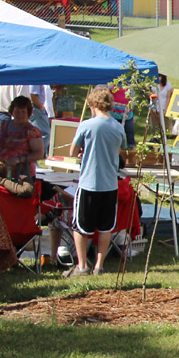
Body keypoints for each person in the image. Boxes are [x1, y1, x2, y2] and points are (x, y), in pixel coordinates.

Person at [67, 87, 126, 277]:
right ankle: (99, 265)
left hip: (89, 183)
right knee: (105, 227)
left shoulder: (86, 125)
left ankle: (82, 265)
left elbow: (72, 152)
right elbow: (122, 152)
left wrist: (83, 150)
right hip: (109, 184)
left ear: (92, 105)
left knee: (81, 227)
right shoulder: (118, 127)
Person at [0, 95, 44, 182]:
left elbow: (39, 154)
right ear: (12, 111)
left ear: (28, 113)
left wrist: (18, 159)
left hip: (22, 177)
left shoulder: (32, 131)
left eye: (23, 112)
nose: (19, 115)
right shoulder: (3, 125)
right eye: (17, 111)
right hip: (1, 174)